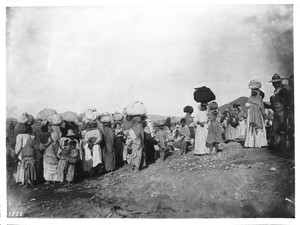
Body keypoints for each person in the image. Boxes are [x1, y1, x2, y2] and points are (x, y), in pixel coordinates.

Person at [268, 74, 290, 149]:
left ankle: (283, 146)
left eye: (276, 82)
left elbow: (287, 102)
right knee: (275, 130)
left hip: (282, 113)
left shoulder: (283, 90)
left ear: (279, 82)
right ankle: (278, 145)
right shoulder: (275, 91)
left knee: (282, 129)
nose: (274, 84)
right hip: (276, 113)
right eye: (273, 83)